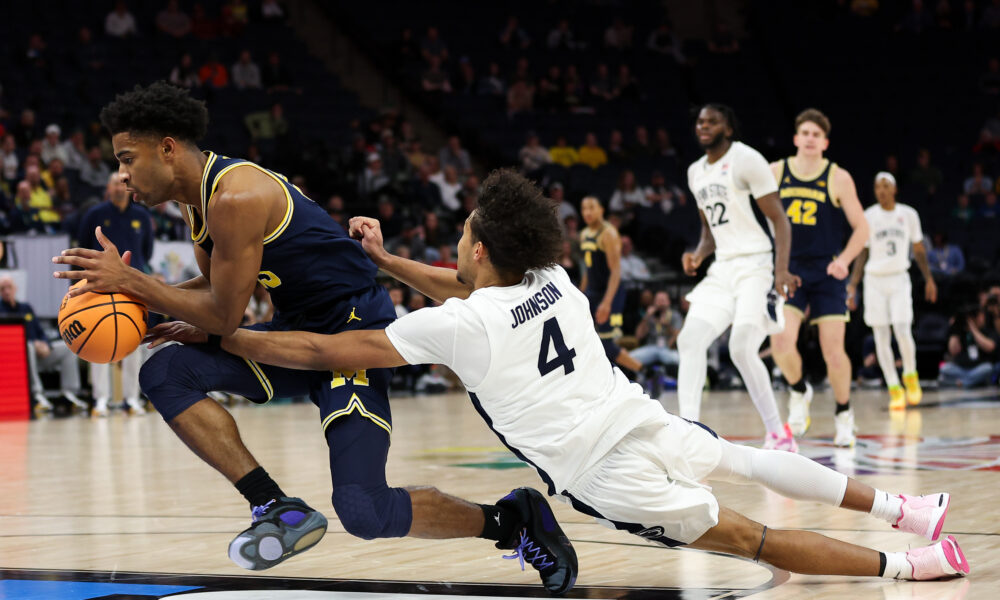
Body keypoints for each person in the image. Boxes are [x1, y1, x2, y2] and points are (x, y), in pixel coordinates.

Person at [150, 169, 969, 584]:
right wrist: (389, 260)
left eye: (463, 237)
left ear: (478, 251)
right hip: (637, 415)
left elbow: (327, 353)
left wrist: (236, 334)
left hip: (600, 469)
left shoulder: (463, 323)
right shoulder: (553, 279)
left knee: (748, 539)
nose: (460, 247)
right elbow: (459, 288)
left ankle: (911, 569)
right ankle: (909, 508)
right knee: (749, 460)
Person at [51, 82, 576, 595]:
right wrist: (139, 298)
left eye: (126, 158)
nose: (121, 176)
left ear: (167, 149)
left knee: (365, 510)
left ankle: (513, 521)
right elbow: (220, 290)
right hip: (293, 331)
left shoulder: (236, 196)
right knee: (166, 370)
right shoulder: (199, 201)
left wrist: (135, 285)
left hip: (352, 336)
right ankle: (275, 507)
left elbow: (224, 314)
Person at [681, 104, 800, 451]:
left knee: (742, 347)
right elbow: (709, 231)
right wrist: (699, 254)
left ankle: (778, 433)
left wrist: (780, 270)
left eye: (712, 121)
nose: (704, 125)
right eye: (700, 121)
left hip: (756, 265)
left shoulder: (747, 160)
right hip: (723, 266)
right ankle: (690, 434)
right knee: (689, 340)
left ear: (728, 129)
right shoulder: (695, 172)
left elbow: (780, 220)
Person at [769, 108, 869, 447]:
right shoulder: (775, 171)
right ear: (796, 138)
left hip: (827, 272)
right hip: (790, 269)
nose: (810, 138)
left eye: (816, 134)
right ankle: (799, 393)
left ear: (824, 142)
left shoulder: (838, 177)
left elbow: (863, 228)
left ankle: (844, 415)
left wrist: (844, 260)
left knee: (833, 350)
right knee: (780, 341)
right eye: (805, 133)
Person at [847, 172, 937, 410]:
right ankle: (894, 388)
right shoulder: (868, 216)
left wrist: (929, 279)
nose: (881, 190)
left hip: (899, 278)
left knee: (902, 329)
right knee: (880, 337)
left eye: (886, 186)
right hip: (875, 280)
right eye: (877, 187)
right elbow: (862, 253)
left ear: (895, 189)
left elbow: (918, 250)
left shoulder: (908, 215)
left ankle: (910, 374)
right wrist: (853, 285)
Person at [78, 172, 154, 416]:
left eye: (124, 183)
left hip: (132, 288)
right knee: (96, 340)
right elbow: (82, 248)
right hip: (98, 288)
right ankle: (101, 399)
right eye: (115, 183)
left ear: (130, 187)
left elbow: (147, 252)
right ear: (107, 188)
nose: (120, 188)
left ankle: (132, 399)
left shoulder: (142, 216)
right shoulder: (95, 215)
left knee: (133, 341)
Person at [0, 276, 86, 412]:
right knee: (27, 346)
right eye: (2, 289)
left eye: (9, 287)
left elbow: (40, 331)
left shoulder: (26, 308)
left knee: (66, 347)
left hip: (39, 354)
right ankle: (36, 394)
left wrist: (46, 344)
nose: (6, 291)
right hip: (18, 360)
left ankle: (69, 393)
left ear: (15, 289)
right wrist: (34, 344)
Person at [579, 196, 643, 374]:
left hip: (611, 293)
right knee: (585, 337)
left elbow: (616, 271)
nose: (588, 212)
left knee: (606, 342)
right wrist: (579, 295)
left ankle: (644, 371)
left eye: (592, 207)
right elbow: (588, 268)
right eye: (584, 208)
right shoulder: (584, 234)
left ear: (601, 210)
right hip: (592, 292)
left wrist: (607, 303)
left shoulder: (609, 233)